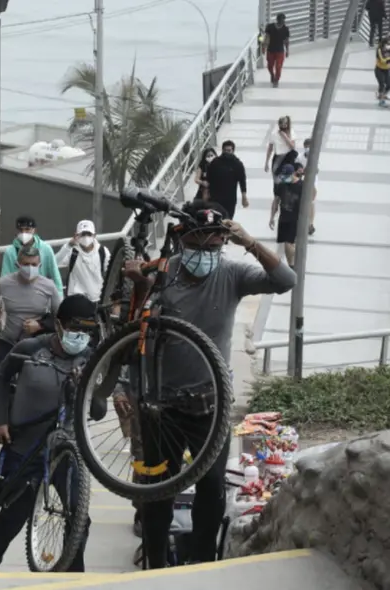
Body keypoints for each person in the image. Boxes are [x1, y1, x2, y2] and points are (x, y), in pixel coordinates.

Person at [123, 200, 296, 569]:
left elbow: (286, 280)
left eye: (214, 245)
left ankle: (203, 565)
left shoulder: (232, 273)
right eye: (197, 244)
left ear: (224, 244)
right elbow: (134, 325)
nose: (205, 252)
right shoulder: (166, 270)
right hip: (163, 407)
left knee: (212, 489)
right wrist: (140, 283)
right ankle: (155, 564)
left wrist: (249, 241)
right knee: (157, 492)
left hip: (210, 405)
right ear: (183, 240)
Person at [0, 295, 103, 573]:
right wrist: (1, 421)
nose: (80, 336)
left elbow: (99, 409)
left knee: (79, 517)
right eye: (74, 328)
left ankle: (74, 576)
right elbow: (2, 376)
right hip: (24, 446)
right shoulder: (30, 348)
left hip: (67, 450)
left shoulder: (91, 359)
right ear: (58, 325)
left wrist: (86, 386)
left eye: (87, 330)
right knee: (14, 514)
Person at [0, 244, 62, 365]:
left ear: (40, 265)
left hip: (36, 344)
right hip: (6, 343)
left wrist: (40, 325)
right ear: (17, 264)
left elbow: (60, 318)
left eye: (33, 264)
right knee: (4, 378)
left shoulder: (49, 286)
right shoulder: (3, 284)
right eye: (25, 264)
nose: (30, 268)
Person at [269, 163, 316, 266]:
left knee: (288, 243)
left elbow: (312, 199)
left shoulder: (302, 186)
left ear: (293, 174)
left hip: (296, 218)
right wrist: (272, 217)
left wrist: (309, 222)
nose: (285, 179)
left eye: (287, 176)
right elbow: (276, 201)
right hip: (284, 218)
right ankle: (291, 263)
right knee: (287, 243)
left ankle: (292, 265)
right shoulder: (281, 185)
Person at [0, 215, 63, 291]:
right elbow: (5, 278)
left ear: (34, 230)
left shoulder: (46, 249)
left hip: (41, 293)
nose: (24, 233)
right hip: (18, 295)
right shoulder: (10, 252)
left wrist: (60, 299)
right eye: (21, 230)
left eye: (27, 229)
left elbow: (55, 276)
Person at [56, 220, 111, 303]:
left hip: (97, 299)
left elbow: (111, 272)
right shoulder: (72, 251)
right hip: (75, 300)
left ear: (94, 235)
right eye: (83, 234)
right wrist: (68, 246)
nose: (86, 237)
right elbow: (55, 263)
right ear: (76, 235)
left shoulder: (102, 251)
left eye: (89, 234)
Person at [205, 141, 249, 220]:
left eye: (229, 150)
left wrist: (244, 197)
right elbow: (209, 179)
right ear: (222, 150)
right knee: (216, 220)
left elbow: (242, 181)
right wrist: (207, 192)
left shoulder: (237, 164)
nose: (227, 152)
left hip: (230, 199)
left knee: (228, 220)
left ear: (233, 151)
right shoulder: (215, 163)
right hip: (216, 198)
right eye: (225, 150)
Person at [265, 116, 297, 200]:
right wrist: (266, 162)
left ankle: (287, 196)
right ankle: (277, 196)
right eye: (282, 124)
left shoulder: (291, 132)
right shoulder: (274, 134)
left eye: (285, 124)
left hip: (288, 157)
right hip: (278, 157)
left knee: (289, 178)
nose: (283, 126)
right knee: (276, 178)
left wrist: (285, 136)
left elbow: (292, 146)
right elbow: (270, 148)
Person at [264, 13, 290, 87]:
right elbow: (266, 37)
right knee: (270, 66)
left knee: (278, 66)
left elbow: (286, 40)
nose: (283, 21)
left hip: (280, 51)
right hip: (270, 50)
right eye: (282, 19)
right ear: (278, 19)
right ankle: (272, 74)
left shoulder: (285, 29)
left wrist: (287, 50)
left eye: (284, 19)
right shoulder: (270, 27)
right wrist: (263, 46)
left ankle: (276, 80)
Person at [377, 37, 390, 106]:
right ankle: (381, 101)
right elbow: (383, 60)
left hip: (387, 69)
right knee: (382, 84)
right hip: (379, 69)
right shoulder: (379, 50)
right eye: (387, 43)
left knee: (389, 84)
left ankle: (383, 95)